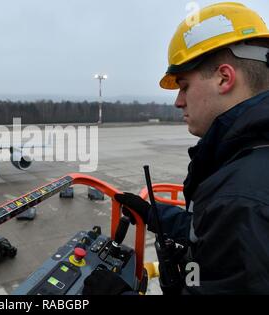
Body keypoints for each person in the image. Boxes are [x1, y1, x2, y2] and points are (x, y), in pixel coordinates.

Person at [84, 2, 269, 294]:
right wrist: (153, 214)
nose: (178, 101)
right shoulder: (247, 162)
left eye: (184, 86)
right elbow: (208, 232)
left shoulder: (242, 199)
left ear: (224, 78)